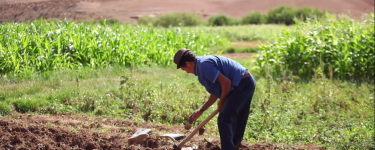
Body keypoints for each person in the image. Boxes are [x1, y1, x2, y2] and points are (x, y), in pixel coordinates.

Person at [173, 48, 256, 150]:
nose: (186, 72)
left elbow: (226, 83)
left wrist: (222, 101)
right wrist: (201, 110)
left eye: (183, 69)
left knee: (224, 119)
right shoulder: (201, 69)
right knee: (235, 117)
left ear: (188, 63)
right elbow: (216, 92)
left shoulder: (204, 66)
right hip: (246, 82)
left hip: (242, 83)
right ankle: (234, 146)